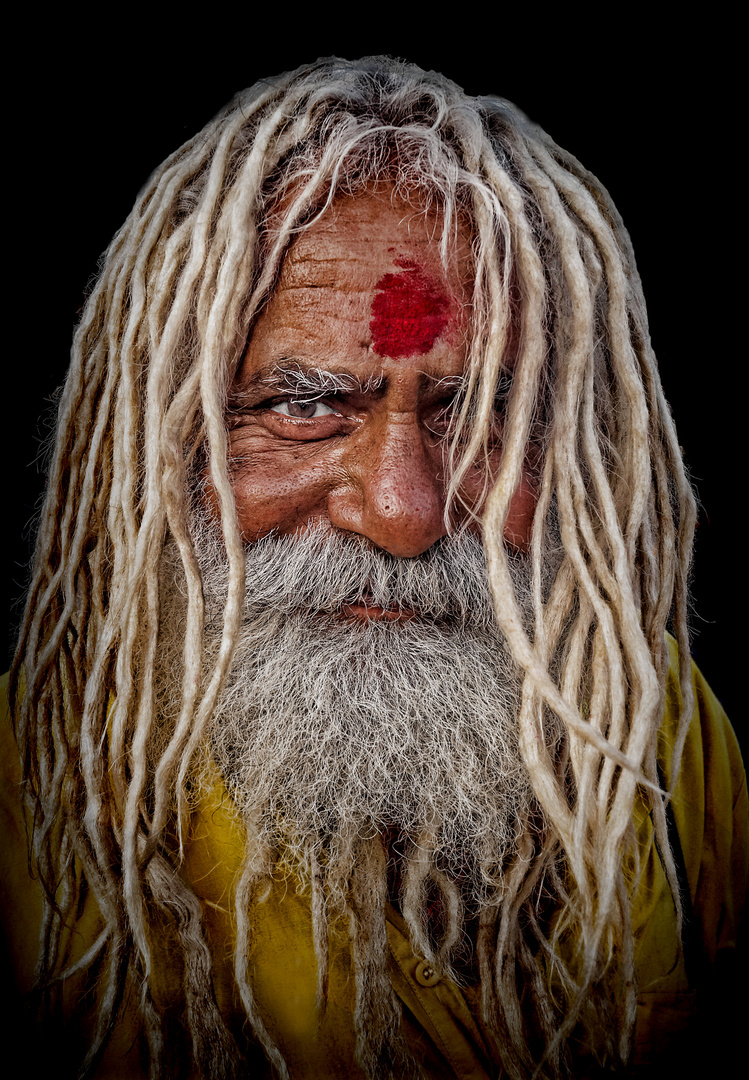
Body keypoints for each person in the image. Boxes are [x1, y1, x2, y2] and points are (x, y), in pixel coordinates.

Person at [1, 56, 745, 1080]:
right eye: (302, 408)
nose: (402, 512)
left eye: (478, 417)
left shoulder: (652, 750)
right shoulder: (21, 787)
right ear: (153, 446)